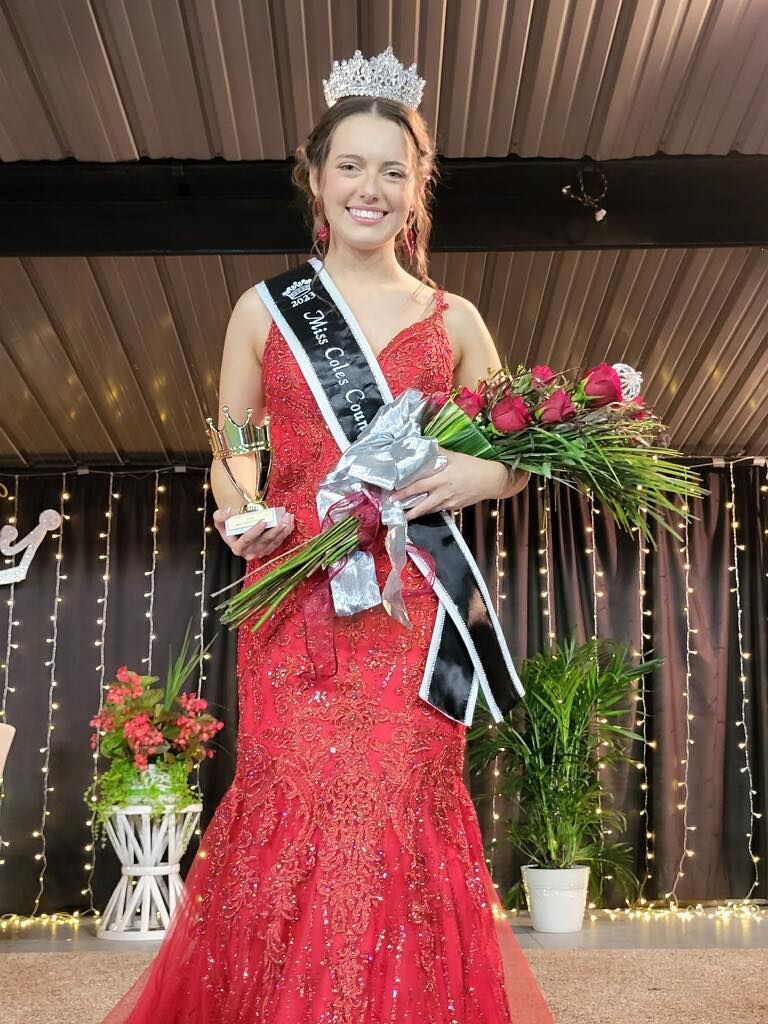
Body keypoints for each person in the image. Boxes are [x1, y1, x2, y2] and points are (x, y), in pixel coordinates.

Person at [99, 48, 552, 1024]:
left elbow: (521, 454)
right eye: (352, 165)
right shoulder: (265, 312)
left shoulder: (457, 320)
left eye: (394, 170)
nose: (371, 188)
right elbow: (235, 446)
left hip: (411, 617)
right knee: (295, 820)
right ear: (316, 178)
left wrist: (471, 472)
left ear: (418, 188)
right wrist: (241, 509)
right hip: (297, 615)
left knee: (400, 818)